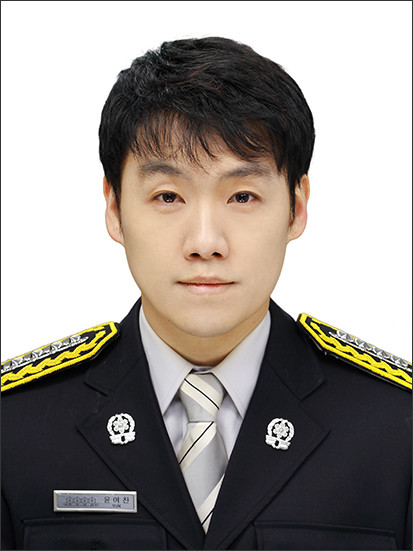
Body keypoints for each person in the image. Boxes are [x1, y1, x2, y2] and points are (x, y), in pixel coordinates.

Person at [1, 37, 411, 551]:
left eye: (242, 196)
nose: (205, 242)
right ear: (115, 208)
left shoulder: (396, 428)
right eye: (168, 196)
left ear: (297, 207)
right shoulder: (16, 425)